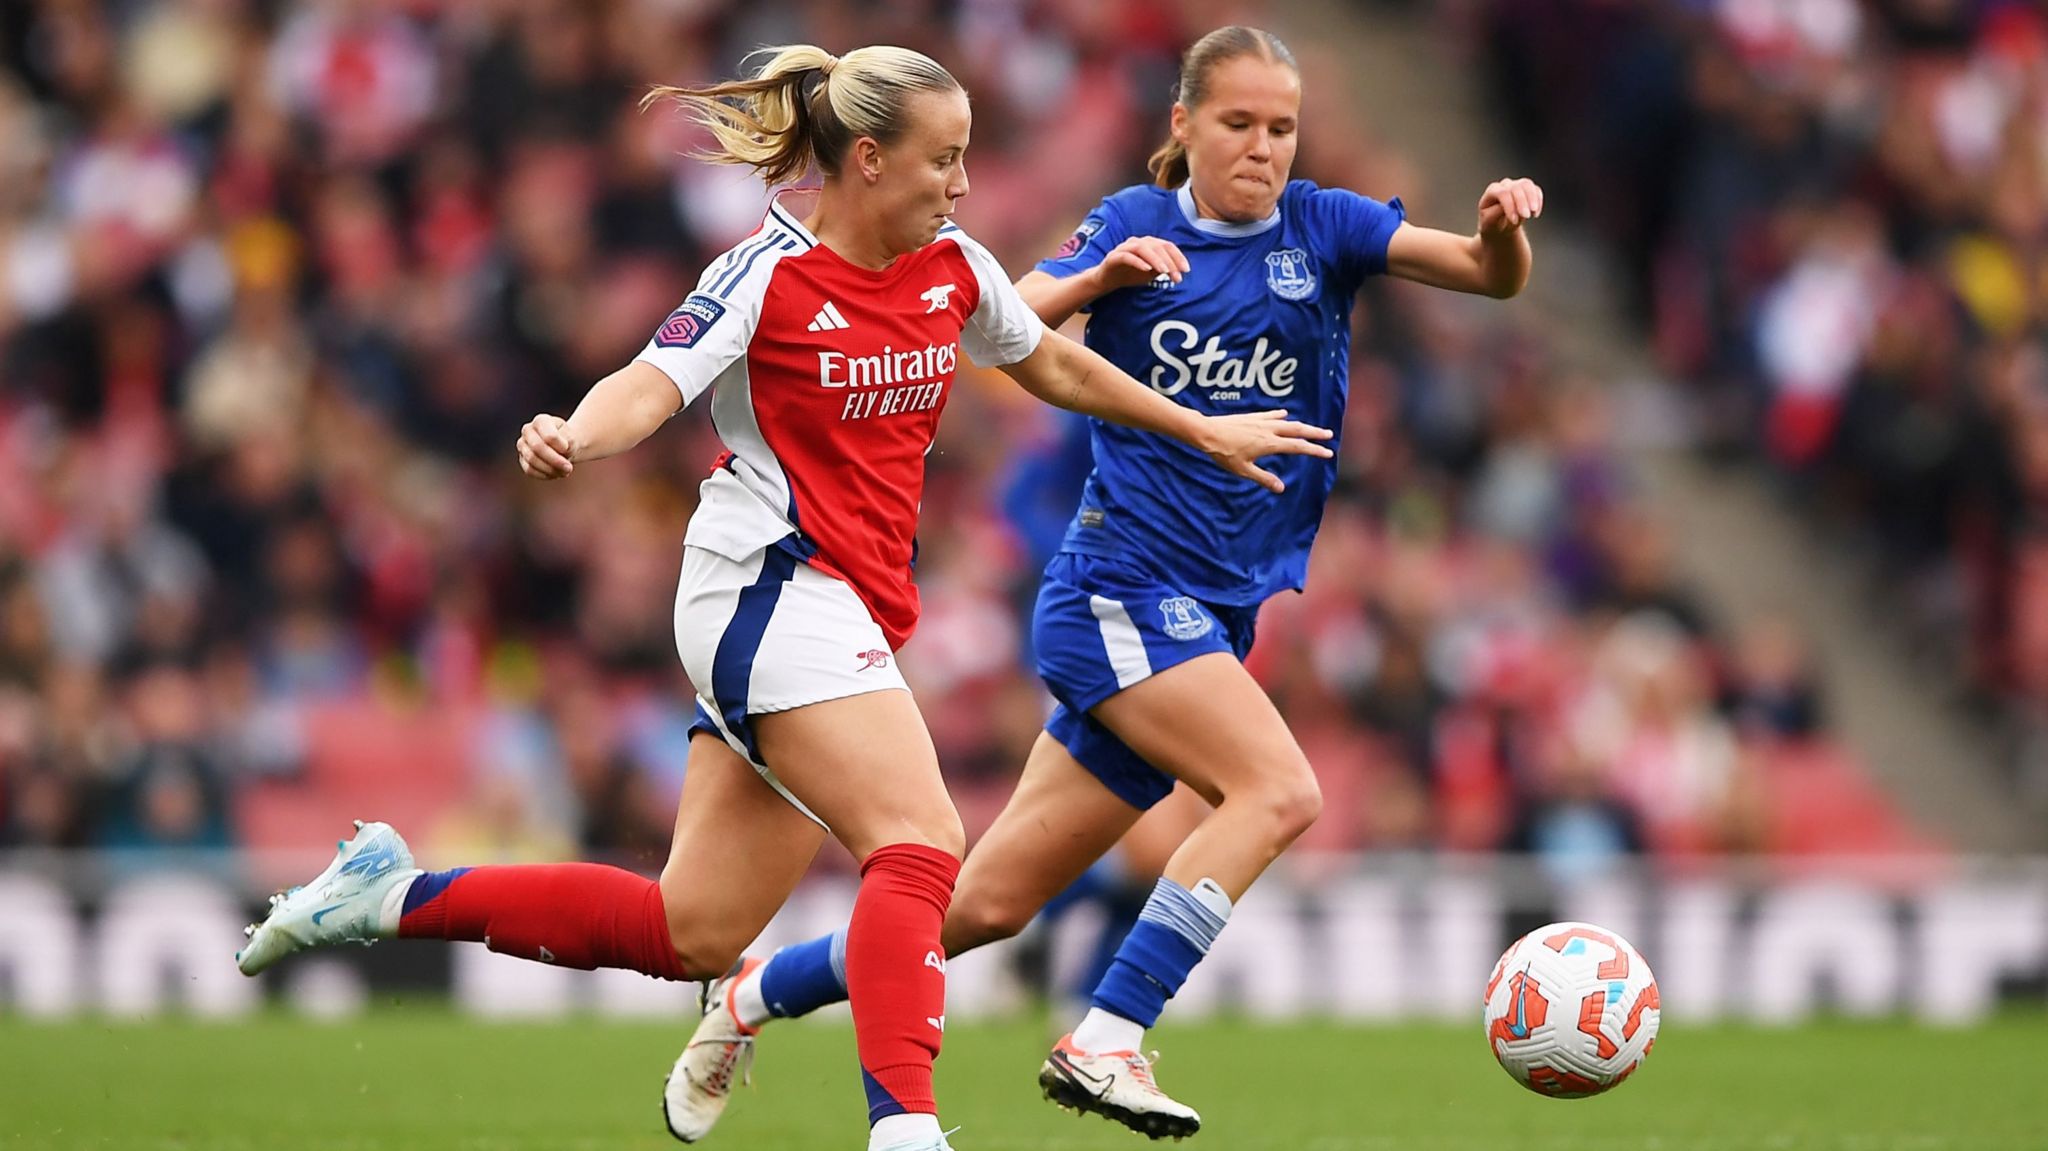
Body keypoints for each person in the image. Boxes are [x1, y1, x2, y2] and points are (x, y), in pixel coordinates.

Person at [230, 42, 1333, 1151]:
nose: (959, 184)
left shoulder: (951, 263)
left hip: (844, 608)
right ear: (865, 160)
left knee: (691, 928)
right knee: (920, 837)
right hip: (762, 585)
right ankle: (905, 1127)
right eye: (940, 160)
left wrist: (1194, 424)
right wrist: (576, 430)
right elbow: (650, 382)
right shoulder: (767, 272)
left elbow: (1045, 362)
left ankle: (388, 893)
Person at [665, 25, 1544, 1143]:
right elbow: (998, 319)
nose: (1261, 148)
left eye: (1279, 127)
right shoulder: (1133, 225)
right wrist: (1098, 276)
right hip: (1119, 588)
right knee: (1278, 790)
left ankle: (750, 994)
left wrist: (1498, 233)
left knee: (977, 908)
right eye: (1236, 124)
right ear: (1181, 126)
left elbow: (1483, 277)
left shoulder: (1323, 228)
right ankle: (1107, 1033)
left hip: (1214, 606)